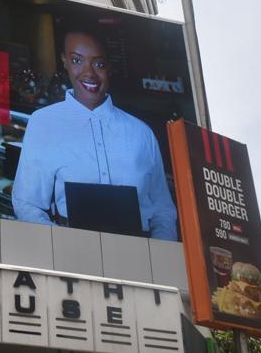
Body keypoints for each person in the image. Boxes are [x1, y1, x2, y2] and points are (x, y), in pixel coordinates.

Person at [11, 25, 178, 240]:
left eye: (98, 64)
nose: (89, 73)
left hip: (140, 259)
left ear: (109, 67)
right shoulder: (43, 123)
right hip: (69, 254)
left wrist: (155, 257)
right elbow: (27, 204)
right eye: (77, 60)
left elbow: (163, 211)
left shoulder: (141, 134)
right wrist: (62, 246)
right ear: (64, 61)